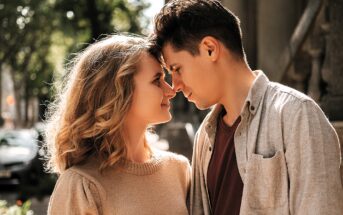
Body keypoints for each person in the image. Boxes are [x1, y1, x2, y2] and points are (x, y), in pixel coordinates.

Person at [151, 0, 343, 214]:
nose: (175, 85)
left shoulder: (297, 115)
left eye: (177, 69)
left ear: (210, 49)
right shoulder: (204, 137)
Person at [44, 34, 191, 215]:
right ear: (117, 93)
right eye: (156, 80)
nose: (170, 91)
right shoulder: (82, 185)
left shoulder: (179, 170)